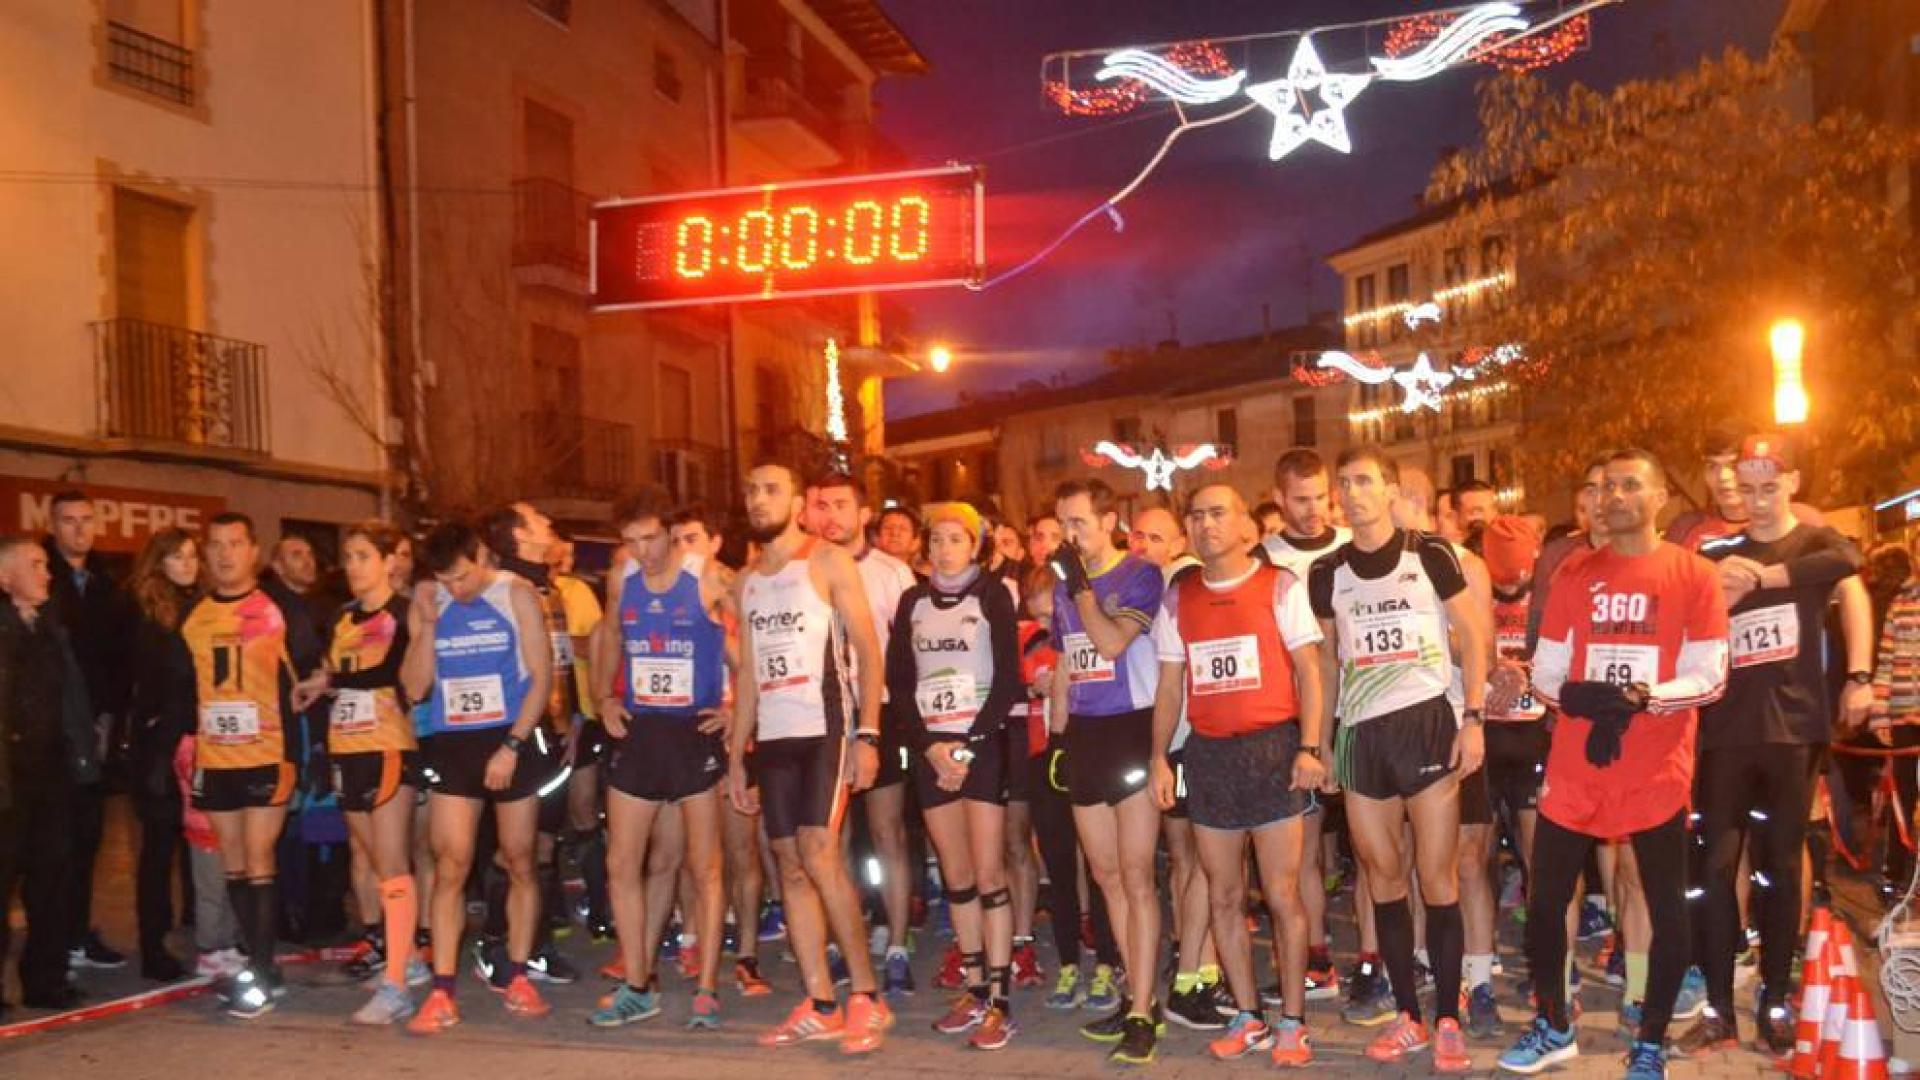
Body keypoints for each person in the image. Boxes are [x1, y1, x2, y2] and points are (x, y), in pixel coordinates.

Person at [1498, 449, 1729, 1080]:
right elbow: (1546, 668)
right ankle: (1554, 1024)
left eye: (1632, 486)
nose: (1616, 496)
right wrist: (1576, 695)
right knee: (1545, 902)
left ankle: (1650, 1037)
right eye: (1607, 488)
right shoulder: (1574, 571)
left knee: (1662, 905)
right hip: (1576, 763)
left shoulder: (1692, 575)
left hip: (1655, 766)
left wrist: (1645, 697)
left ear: (1660, 499)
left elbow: (1710, 675)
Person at [1677, 436, 1866, 1056]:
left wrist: (1769, 576)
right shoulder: (1715, 549)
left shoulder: (1811, 544)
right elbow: (1682, 600)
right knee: (1711, 870)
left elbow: (1847, 559)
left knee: (1781, 870)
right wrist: (1715, 588)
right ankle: (1718, 1009)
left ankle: (1777, 1001)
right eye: (1746, 487)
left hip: (1792, 729)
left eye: (1768, 486)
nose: (1756, 500)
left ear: (1792, 483)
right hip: (1723, 733)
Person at [1307, 447, 1486, 1072]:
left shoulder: (1428, 553)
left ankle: (1448, 1021)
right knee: (1381, 878)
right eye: (1344, 483)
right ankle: (1409, 1015)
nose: (1352, 493)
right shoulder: (1327, 570)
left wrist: (1474, 718)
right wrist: (1321, 742)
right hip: (1361, 735)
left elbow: (1472, 633)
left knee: (1438, 880)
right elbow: (1328, 661)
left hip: (1428, 724)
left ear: (1389, 489)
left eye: (1364, 481)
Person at [1148, 484, 1325, 1066]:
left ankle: (1293, 1022)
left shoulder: (1279, 585)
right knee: (1223, 894)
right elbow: (1170, 686)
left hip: (1275, 750)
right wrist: (1158, 759)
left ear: (1247, 524)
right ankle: (1248, 1015)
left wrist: (1310, 746)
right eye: (1195, 516)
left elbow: (1309, 670)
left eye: (1218, 512)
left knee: (1281, 894)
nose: (1205, 525)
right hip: (1211, 756)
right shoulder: (1181, 596)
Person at [727, 460, 894, 1053]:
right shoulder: (747, 581)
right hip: (772, 739)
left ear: (799, 503)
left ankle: (867, 998)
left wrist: (868, 735)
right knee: (788, 865)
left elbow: (871, 654)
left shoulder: (826, 561)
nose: (757, 498)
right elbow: (748, 674)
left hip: (826, 728)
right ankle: (821, 1001)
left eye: (771, 489)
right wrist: (735, 759)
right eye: (751, 489)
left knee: (821, 856)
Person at [401, 518, 556, 1032]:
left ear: (484, 555)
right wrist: (425, 626)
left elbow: (540, 677)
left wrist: (512, 746)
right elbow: (415, 686)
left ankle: (518, 974)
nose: (455, 589)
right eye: (445, 580)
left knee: (519, 860)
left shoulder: (518, 595)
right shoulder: (432, 598)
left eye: (462, 577)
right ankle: (442, 990)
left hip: (510, 738)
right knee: (450, 864)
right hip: (454, 744)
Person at [589, 489, 733, 1030]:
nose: (640, 550)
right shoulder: (621, 577)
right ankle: (637, 984)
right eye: (629, 540)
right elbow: (608, 635)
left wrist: (734, 706)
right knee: (622, 863)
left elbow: (745, 643)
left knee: (705, 867)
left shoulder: (709, 576)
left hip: (692, 732)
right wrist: (603, 695)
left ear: (671, 532)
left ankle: (706, 988)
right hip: (641, 729)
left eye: (648, 537)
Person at [888, 502, 1024, 1050]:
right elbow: (900, 685)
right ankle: (972, 988)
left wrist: (964, 748)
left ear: (976, 545)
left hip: (983, 748)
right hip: (932, 753)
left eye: (956, 539)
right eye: (937, 539)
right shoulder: (912, 601)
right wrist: (930, 748)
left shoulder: (992, 595)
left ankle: (1000, 998)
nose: (945, 549)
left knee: (990, 875)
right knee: (957, 875)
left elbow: (1011, 680)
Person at [180, 512, 323, 1018]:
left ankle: (262, 971)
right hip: (216, 756)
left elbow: (316, 666)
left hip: (267, 752)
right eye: (215, 545)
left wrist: (316, 687)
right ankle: (257, 960)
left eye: (235, 544)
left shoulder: (279, 608)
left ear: (253, 551)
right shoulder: (194, 616)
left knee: (260, 857)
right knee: (233, 862)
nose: (224, 554)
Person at [1047, 478, 1166, 1064]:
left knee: (1138, 874)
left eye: (1080, 523)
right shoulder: (1064, 586)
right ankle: (1132, 993)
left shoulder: (1139, 574)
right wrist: (1058, 728)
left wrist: (1084, 591)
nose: (1071, 535)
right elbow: (1073, 653)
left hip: (1131, 728)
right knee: (1106, 874)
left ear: (1109, 520)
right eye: (1063, 525)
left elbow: (1113, 643)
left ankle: (1145, 1010)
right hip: (1087, 735)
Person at [294, 521, 426, 1025]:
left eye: (363, 556)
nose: (353, 566)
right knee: (367, 859)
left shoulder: (405, 612)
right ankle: (405, 959)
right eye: (348, 557)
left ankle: (396, 988)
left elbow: (393, 675)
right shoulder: (343, 617)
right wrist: (317, 685)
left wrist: (335, 680)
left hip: (388, 745)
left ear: (390, 561)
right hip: (346, 746)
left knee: (393, 863)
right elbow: (339, 675)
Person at [807, 473, 919, 997]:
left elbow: (910, 652)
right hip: (823, 719)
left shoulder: (893, 573)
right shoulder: (802, 569)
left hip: (883, 713)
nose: (831, 515)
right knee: (834, 841)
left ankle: (896, 944)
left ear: (864, 512)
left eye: (841, 505)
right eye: (821, 505)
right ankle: (842, 943)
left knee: (889, 831)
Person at [1260, 449, 1351, 1010]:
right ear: (1279, 500)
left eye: (1322, 497)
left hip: (1360, 710)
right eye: (1301, 499)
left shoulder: (1353, 545)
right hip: (1299, 719)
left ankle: (1380, 962)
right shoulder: (1264, 559)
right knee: (1305, 850)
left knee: (1374, 852)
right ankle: (1316, 959)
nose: (1314, 509)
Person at [1021, 561, 1125, 1014]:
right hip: (1044, 760)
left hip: (1086, 753)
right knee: (1059, 866)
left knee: (1103, 867)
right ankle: (1067, 962)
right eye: (1039, 617)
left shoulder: (1086, 633)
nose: (1046, 627)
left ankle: (1107, 961)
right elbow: (1016, 681)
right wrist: (1033, 685)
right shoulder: (1024, 640)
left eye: (1052, 618)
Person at [0, 535, 92, 1013]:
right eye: (35, 565)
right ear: (5, 578)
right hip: (9, 778)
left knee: (53, 880)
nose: (47, 573)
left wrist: (82, 755)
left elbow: (71, 698)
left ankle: (46, 980)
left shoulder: (50, 627)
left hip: (51, 773)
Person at [41, 492, 132, 973]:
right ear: (52, 525)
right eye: (67, 521)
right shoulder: (41, 578)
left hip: (95, 732)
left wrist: (111, 719)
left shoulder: (104, 583)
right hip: (51, 733)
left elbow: (117, 657)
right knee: (53, 845)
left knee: (87, 839)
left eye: (84, 521)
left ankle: (77, 932)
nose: (78, 529)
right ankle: (56, 939)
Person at [127, 528, 204, 983]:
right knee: (157, 851)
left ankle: (200, 931)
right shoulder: (146, 614)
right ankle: (152, 946)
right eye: (177, 557)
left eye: (192, 556)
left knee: (198, 844)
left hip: (196, 738)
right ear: (159, 563)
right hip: (160, 746)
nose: (187, 564)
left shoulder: (201, 607)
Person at [875, 504, 923, 571]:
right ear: (877, 539)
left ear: (915, 542)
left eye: (903, 529)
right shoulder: (860, 576)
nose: (894, 533)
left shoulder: (926, 580)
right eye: (888, 527)